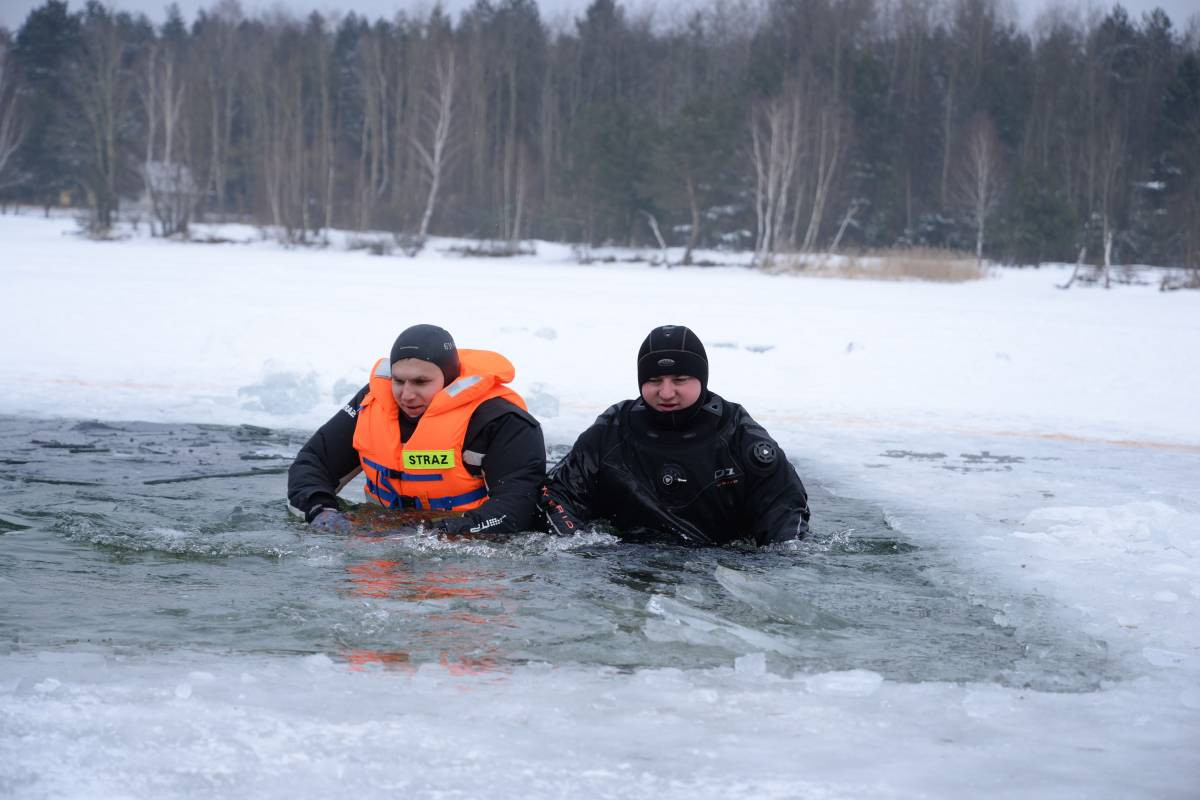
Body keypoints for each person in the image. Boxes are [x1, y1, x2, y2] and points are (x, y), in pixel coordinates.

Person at [542, 324, 810, 546]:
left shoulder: (738, 434)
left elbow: (785, 510)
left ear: (702, 379)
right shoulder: (613, 429)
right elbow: (557, 494)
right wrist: (580, 545)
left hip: (716, 569)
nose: (666, 392)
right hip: (626, 564)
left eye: (680, 380)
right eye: (655, 381)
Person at [288, 324, 545, 535]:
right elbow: (313, 462)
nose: (406, 395)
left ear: (449, 379)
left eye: (421, 382)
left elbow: (516, 508)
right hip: (381, 538)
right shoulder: (372, 403)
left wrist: (436, 532)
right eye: (399, 381)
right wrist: (322, 512)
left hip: (464, 553)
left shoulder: (501, 421)